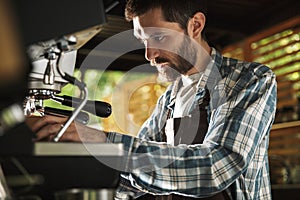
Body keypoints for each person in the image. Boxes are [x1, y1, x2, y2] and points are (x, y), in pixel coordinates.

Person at [30, 0, 277, 199]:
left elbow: (216, 168)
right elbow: (137, 172)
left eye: (158, 38)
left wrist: (102, 142)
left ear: (195, 26)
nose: (149, 55)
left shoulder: (250, 80)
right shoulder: (169, 99)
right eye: (143, 42)